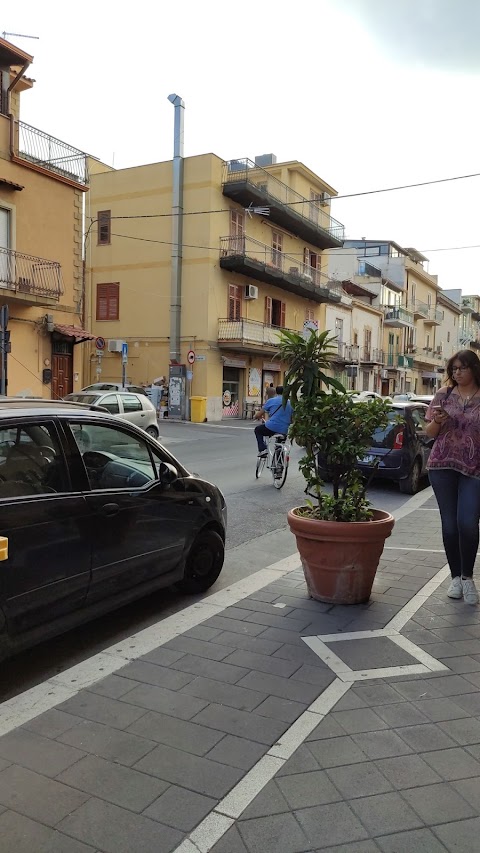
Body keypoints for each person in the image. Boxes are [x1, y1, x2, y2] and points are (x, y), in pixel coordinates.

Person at [425, 349, 480, 605]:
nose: (457, 372)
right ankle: (455, 578)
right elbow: (429, 432)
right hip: (442, 465)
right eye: (454, 368)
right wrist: (437, 420)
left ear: (474, 369)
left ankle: (468, 577)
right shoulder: (443, 395)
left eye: (462, 368)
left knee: (467, 523)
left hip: (474, 469)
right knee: (449, 524)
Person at [254, 385, 293, 457]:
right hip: (284, 429)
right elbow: (292, 419)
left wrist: (256, 417)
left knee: (258, 430)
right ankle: (279, 464)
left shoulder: (271, 401)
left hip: (271, 427)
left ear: (276, 392)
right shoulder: (290, 403)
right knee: (280, 444)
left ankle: (262, 449)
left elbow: (259, 414)